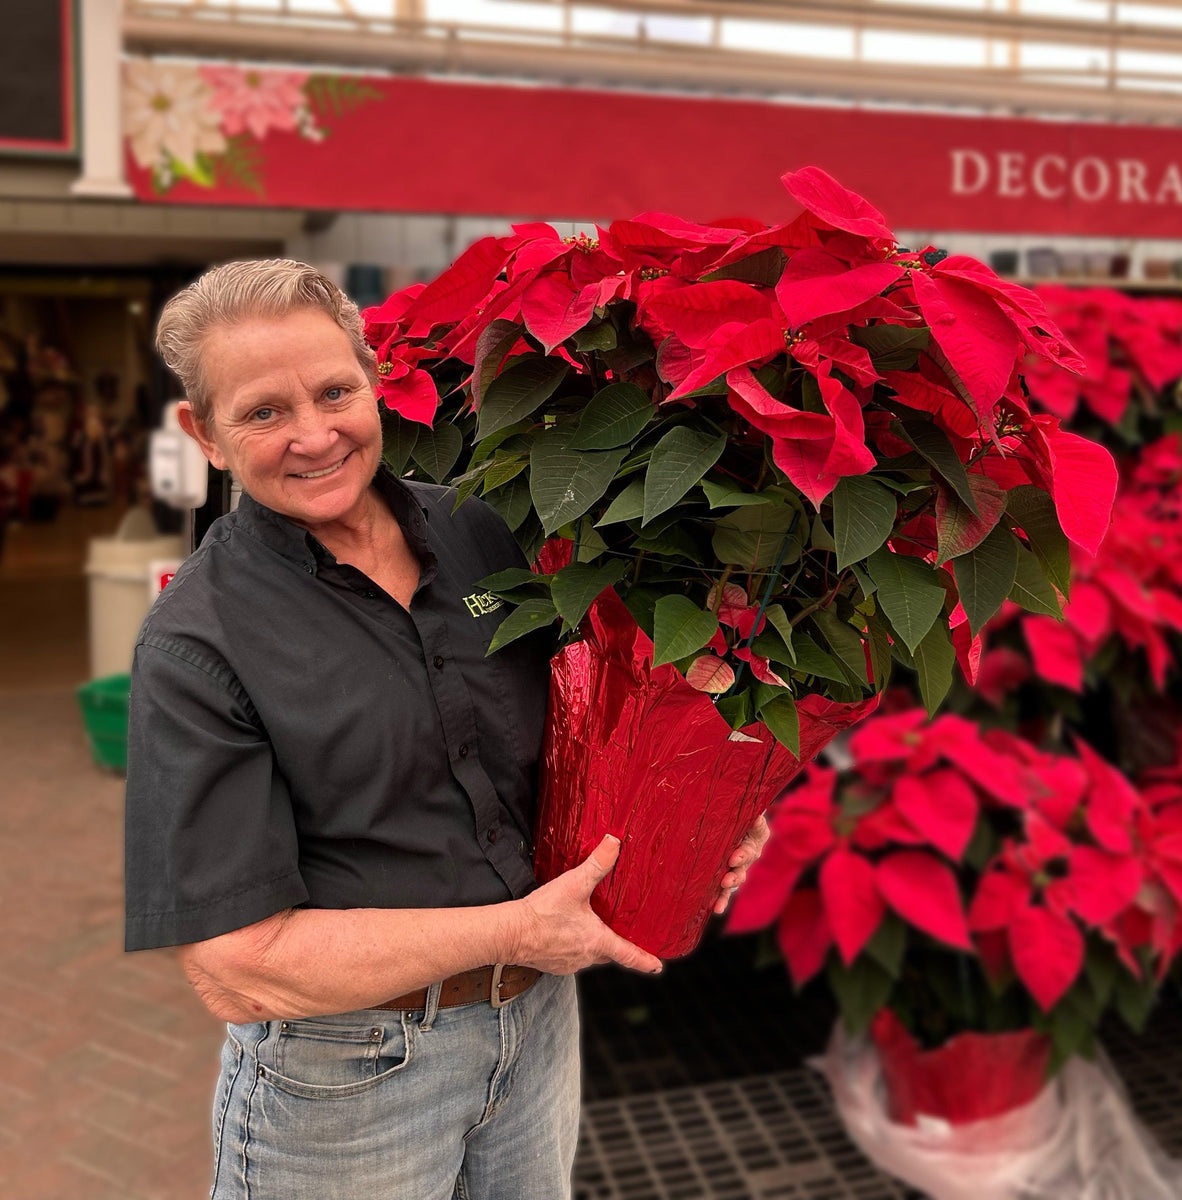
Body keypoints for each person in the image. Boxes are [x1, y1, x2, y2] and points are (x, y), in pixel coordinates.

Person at [124, 259, 768, 1200]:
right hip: (350, 1080)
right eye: (263, 413)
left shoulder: (482, 528)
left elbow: (585, 733)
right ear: (205, 435)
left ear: (374, 378)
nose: (314, 435)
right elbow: (237, 969)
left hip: (537, 1029)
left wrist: (699, 820)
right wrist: (514, 928)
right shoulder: (196, 645)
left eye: (336, 390)